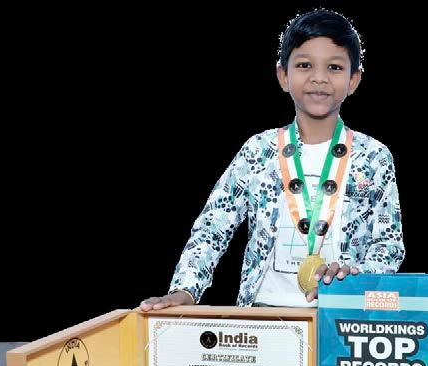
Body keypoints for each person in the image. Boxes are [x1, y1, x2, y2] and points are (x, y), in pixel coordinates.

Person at [140, 8, 404, 313]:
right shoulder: (258, 151)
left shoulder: (374, 157)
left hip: (341, 317)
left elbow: (388, 245)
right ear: (283, 76)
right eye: (304, 65)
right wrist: (185, 289)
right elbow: (213, 227)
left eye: (334, 67)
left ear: (354, 80)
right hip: (263, 315)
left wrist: (356, 279)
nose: (319, 78)